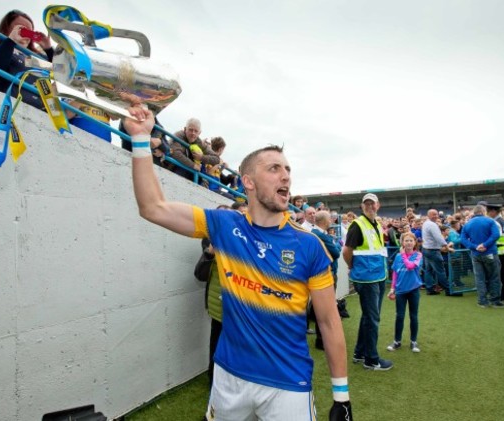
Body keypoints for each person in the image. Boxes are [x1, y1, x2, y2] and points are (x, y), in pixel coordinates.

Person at [122, 95, 352, 420]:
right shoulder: (224, 226)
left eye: (288, 169)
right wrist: (142, 140)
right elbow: (153, 208)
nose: (286, 176)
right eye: (274, 168)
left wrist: (341, 396)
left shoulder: (309, 245)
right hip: (228, 377)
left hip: (288, 384)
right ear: (248, 182)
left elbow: (328, 322)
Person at [343, 193, 393, 371]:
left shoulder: (376, 224)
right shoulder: (357, 225)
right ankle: (371, 359)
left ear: (378, 205)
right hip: (366, 279)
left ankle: (360, 352)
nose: (370, 206)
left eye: (373, 203)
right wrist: (352, 267)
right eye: (367, 204)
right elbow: (346, 252)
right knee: (372, 319)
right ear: (362, 206)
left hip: (377, 276)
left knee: (369, 317)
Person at [0, 10, 53, 110]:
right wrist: (11, 41)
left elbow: (61, 73)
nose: (25, 34)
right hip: (5, 106)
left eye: (29, 32)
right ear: (7, 28)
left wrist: (49, 49)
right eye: (21, 29)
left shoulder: (38, 56)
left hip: (40, 114)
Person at [193, 205, 230, 388]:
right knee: (217, 345)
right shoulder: (210, 240)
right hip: (219, 306)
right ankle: (214, 381)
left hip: (241, 306)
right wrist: (209, 253)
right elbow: (200, 274)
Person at [460, 205, 504, 308]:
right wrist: (484, 245)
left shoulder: (467, 224)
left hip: (476, 254)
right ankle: (495, 301)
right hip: (490, 252)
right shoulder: (490, 221)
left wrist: (475, 247)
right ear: (483, 211)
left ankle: (482, 301)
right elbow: (496, 235)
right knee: (494, 277)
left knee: (479, 278)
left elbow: (463, 239)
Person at [311, 210, 343, 350]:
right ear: (324, 221)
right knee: (324, 308)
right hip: (325, 274)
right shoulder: (320, 235)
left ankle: (321, 339)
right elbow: (336, 253)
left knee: (323, 308)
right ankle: (322, 340)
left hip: (324, 273)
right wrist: (335, 244)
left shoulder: (319, 233)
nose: (331, 221)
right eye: (330, 218)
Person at [386, 232, 423, 353]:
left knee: (414, 316)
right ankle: (397, 341)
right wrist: (392, 289)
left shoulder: (418, 255)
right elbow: (395, 273)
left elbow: (410, 266)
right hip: (400, 290)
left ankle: (413, 342)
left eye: (411, 240)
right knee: (399, 316)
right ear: (402, 243)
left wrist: (403, 255)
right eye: (406, 240)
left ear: (415, 243)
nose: (408, 243)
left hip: (414, 290)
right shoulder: (397, 257)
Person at [422, 209, 458, 296]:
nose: (436, 216)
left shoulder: (426, 223)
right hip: (433, 251)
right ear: (428, 215)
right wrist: (447, 247)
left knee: (428, 270)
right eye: (433, 214)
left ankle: (429, 289)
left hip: (426, 249)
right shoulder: (432, 225)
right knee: (441, 271)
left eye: (436, 214)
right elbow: (439, 238)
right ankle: (449, 291)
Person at [485, 203, 504, 302]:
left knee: (496, 275)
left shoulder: (496, 222)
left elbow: (496, 237)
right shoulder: (502, 221)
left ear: (493, 211)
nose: (487, 214)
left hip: (497, 251)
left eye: (488, 212)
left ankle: (497, 295)